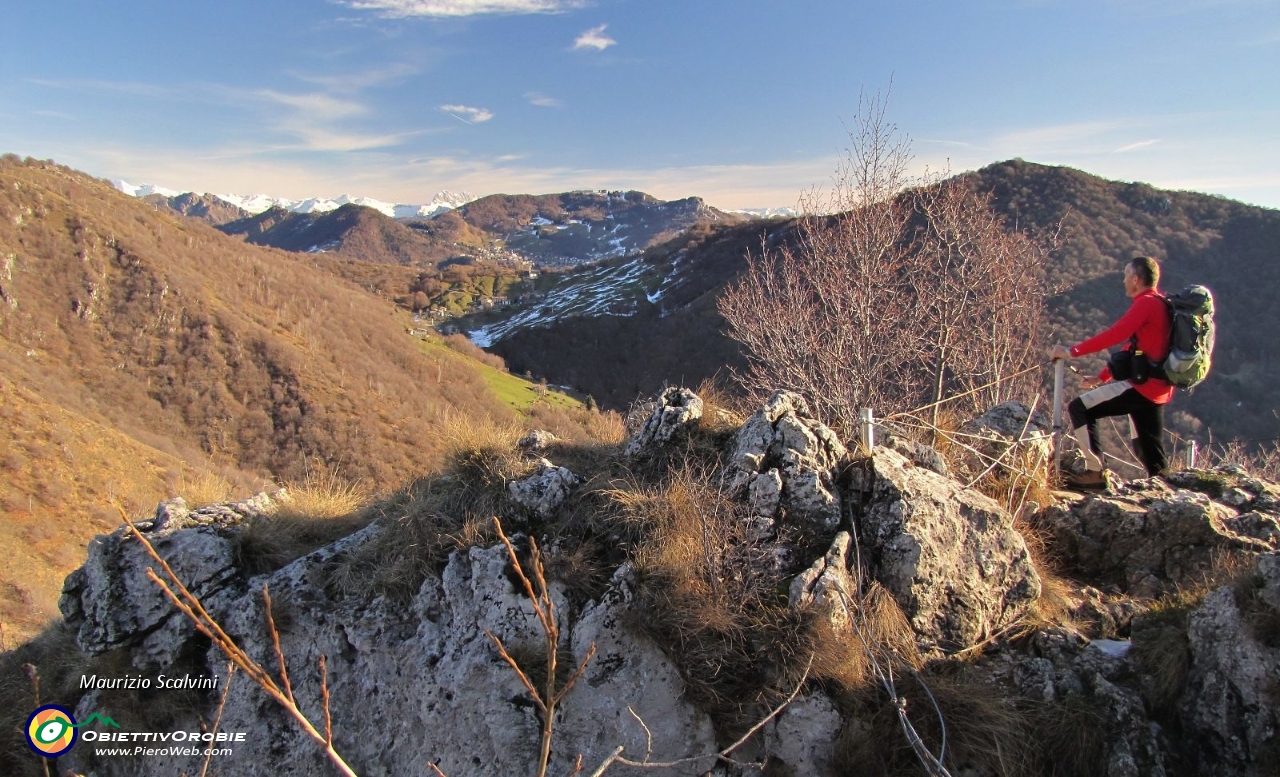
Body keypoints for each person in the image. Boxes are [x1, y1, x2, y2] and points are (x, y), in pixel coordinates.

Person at [1050, 256, 1173, 488]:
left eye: (1126, 275)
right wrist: (1102, 377)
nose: (1124, 280)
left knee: (1080, 408)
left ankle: (1095, 474)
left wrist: (1070, 351)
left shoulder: (1146, 303)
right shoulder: (1161, 303)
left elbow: (1117, 334)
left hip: (1141, 387)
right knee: (1151, 456)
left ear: (1136, 279)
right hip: (1158, 389)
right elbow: (1134, 346)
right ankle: (1166, 496)